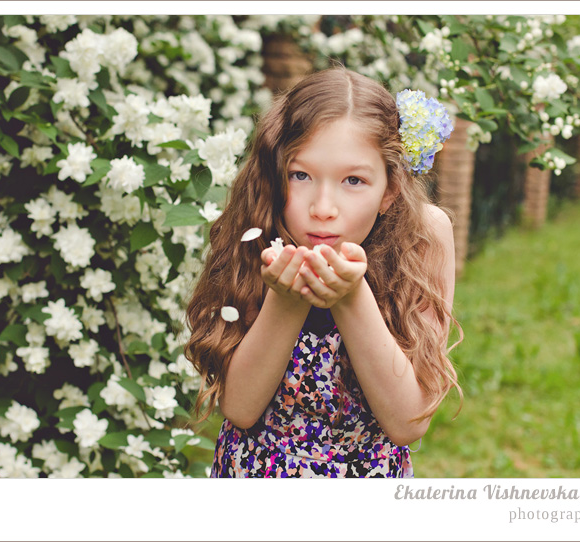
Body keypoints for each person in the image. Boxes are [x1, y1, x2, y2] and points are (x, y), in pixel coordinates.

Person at [184, 67, 462, 478]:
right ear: (274, 175)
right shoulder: (254, 230)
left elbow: (407, 422)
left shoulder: (424, 236)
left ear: (389, 190)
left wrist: (351, 298)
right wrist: (287, 298)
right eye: (301, 175)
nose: (323, 207)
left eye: (354, 180)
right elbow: (241, 409)